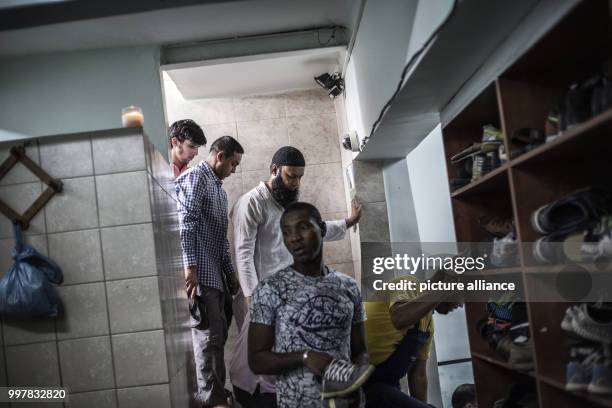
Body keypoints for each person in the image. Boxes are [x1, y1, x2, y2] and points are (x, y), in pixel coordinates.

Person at [229, 146, 362, 407]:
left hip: (289, 297)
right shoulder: (252, 202)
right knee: (256, 366)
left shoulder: (286, 206)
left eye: (300, 177)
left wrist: (348, 222)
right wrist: (252, 299)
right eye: (291, 176)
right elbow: (243, 254)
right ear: (274, 170)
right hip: (260, 296)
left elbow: (316, 230)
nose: (295, 183)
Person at [248, 202, 373, 408]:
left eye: (303, 227)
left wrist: (353, 383)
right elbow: (256, 360)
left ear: (322, 229)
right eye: (287, 232)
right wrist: (304, 357)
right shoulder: (270, 289)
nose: (294, 237)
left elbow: (361, 351)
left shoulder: (348, 286)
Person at [175, 135, 243, 407]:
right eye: (234, 163)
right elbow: (186, 223)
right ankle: (212, 399)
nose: (235, 169)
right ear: (220, 156)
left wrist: (230, 273)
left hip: (216, 277)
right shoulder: (196, 178)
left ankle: (216, 393)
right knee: (208, 338)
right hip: (201, 275)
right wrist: (189, 267)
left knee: (218, 337)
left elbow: (220, 240)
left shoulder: (220, 191)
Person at [363, 272, 461, 407]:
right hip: (358, 378)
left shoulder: (428, 327)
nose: (461, 305)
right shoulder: (409, 284)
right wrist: (442, 291)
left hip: (385, 385)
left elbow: (418, 375)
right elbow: (399, 317)